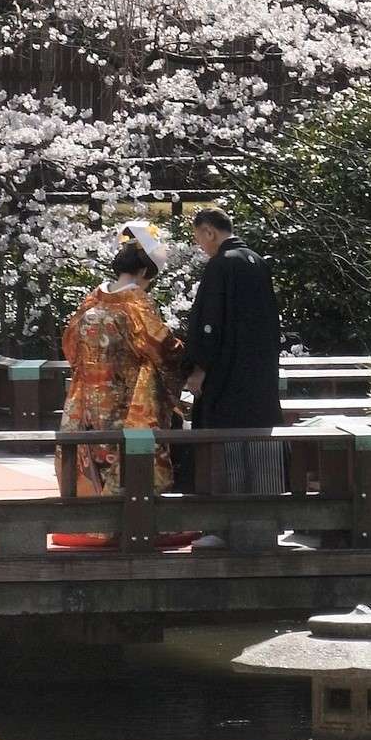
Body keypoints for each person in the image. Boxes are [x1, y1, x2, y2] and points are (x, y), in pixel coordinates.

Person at [182, 204, 284, 549]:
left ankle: (225, 526)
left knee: (224, 442)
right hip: (261, 373)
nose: (201, 246)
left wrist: (198, 368)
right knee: (260, 439)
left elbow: (209, 325)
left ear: (209, 231)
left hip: (227, 374)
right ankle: (268, 522)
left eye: (200, 238)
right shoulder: (258, 262)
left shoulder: (221, 266)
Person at [60, 219, 183, 499]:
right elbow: (163, 348)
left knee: (96, 451)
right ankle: (132, 522)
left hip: (88, 395)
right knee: (128, 454)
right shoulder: (136, 303)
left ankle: (91, 521)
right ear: (142, 271)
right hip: (128, 396)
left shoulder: (91, 301)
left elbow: (69, 345)